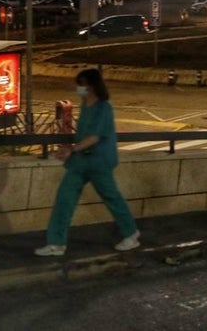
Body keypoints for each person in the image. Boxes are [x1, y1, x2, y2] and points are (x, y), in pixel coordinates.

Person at [35, 68, 140, 256]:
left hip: (99, 161)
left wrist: (71, 149)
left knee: (111, 197)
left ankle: (131, 233)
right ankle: (56, 243)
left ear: (90, 86)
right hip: (81, 162)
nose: (78, 89)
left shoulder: (103, 107)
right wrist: (70, 149)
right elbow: (83, 134)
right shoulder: (85, 105)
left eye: (80, 85)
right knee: (64, 199)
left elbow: (94, 136)